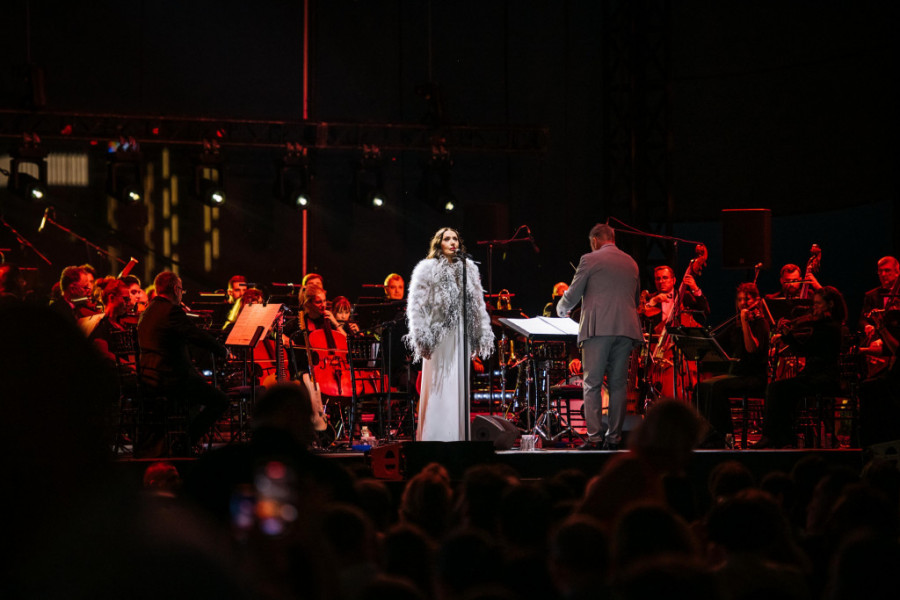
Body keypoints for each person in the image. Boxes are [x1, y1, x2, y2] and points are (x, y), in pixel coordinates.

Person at [557, 224, 642, 450]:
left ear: (595, 240)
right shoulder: (631, 263)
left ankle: (594, 438)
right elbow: (635, 300)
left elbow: (573, 294)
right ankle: (614, 439)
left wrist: (561, 308)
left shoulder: (589, 259)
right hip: (626, 330)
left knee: (592, 384)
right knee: (618, 386)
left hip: (598, 330)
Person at [405, 227, 494, 441]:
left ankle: (456, 435)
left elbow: (477, 305)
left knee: (457, 385)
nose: (452, 242)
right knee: (439, 384)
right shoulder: (427, 269)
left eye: (455, 239)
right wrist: (422, 335)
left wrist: (480, 333)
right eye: (447, 239)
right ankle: (434, 436)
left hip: (460, 335)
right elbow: (416, 305)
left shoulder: (468, 269)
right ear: (439, 243)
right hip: (438, 335)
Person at [137, 270, 229, 449]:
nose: (181, 294)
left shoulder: (147, 311)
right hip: (170, 379)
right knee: (221, 401)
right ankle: (184, 443)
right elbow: (196, 335)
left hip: (149, 376)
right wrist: (223, 351)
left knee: (195, 398)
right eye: (181, 290)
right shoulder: (171, 311)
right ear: (175, 289)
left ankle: (182, 442)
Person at [753, 286, 846, 448]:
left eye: (818, 303)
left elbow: (807, 350)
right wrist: (788, 336)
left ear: (830, 304)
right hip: (813, 376)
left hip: (823, 378)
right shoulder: (823, 325)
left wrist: (788, 336)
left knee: (776, 388)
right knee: (783, 391)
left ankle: (772, 436)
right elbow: (807, 349)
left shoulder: (830, 327)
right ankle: (784, 437)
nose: (813, 308)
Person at [696, 283, 770, 448]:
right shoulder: (735, 326)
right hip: (737, 375)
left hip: (754, 377)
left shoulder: (761, 323)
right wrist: (699, 343)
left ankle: (725, 435)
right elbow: (715, 343)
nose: (743, 303)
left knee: (717, 388)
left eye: (747, 299)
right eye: (740, 299)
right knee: (700, 387)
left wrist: (744, 322)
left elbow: (751, 349)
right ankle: (707, 433)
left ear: (756, 301)